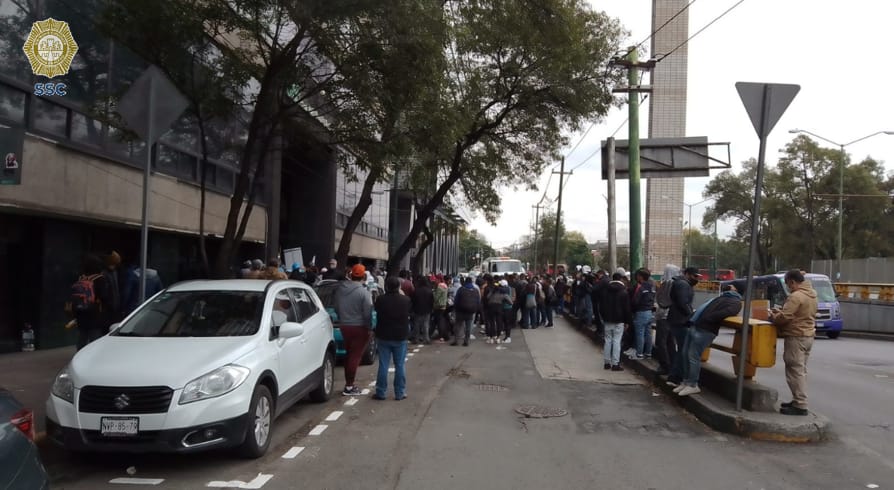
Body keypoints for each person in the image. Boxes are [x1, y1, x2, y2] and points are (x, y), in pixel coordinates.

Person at [674, 285, 742, 396]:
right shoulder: (722, 298)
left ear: (737, 290)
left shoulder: (735, 302)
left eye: (732, 286)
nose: (729, 287)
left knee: (692, 356)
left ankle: (692, 384)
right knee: (685, 354)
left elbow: (727, 311)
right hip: (697, 326)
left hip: (706, 329)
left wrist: (709, 318)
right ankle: (686, 381)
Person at [769, 270, 818, 415]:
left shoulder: (796, 296)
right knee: (800, 370)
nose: (788, 287)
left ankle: (800, 405)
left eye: (788, 284)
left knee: (794, 370)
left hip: (796, 336)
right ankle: (797, 400)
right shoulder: (812, 294)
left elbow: (786, 317)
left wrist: (774, 316)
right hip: (808, 335)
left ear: (792, 281)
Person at [334, 264, 374, 395]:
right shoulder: (364, 292)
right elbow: (368, 311)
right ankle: (349, 386)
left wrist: (342, 318)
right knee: (355, 357)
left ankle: (349, 384)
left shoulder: (340, 289)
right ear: (364, 276)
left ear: (351, 275)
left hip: (344, 325)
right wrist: (368, 327)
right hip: (359, 327)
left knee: (349, 355)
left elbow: (336, 307)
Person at [373, 276, 411, 400]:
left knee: (383, 364)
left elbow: (377, 310)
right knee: (399, 365)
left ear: (386, 286)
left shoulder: (380, 300)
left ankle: (380, 391)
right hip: (400, 336)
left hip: (383, 335)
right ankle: (400, 392)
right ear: (399, 287)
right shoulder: (405, 300)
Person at [70, 254, 114, 350]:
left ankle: (79, 354)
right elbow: (104, 296)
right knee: (95, 337)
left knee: (82, 336)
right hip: (95, 313)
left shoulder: (81, 278)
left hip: (80, 312)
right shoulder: (100, 279)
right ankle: (92, 357)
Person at [666, 267, 701, 387]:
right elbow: (682, 302)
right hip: (680, 320)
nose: (696, 279)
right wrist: (691, 314)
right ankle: (675, 376)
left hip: (677, 319)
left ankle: (676, 376)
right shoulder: (683, 285)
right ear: (687, 274)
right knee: (683, 349)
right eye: (694, 276)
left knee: (682, 348)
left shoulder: (679, 283)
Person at [600, 272, 632, 371]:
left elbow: (601, 306)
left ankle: (606, 362)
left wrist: (603, 317)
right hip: (619, 320)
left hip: (607, 319)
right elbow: (627, 309)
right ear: (621, 279)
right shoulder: (624, 292)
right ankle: (615, 363)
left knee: (608, 340)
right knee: (617, 341)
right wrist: (628, 321)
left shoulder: (605, 291)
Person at [653, 264, 681, 375]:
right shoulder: (678, 284)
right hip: (673, 317)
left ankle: (664, 365)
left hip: (663, 316)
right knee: (671, 342)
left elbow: (661, 300)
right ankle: (673, 365)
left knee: (662, 342)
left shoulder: (666, 284)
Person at [630, 268, 656, 359]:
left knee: (640, 334)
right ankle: (648, 353)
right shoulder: (652, 287)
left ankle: (639, 353)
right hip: (650, 312)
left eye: (637, 276)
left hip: (641, 312)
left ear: (640, 277)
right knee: (648, 334)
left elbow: (635, 301)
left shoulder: (641, 288)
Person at [452, 277, 480, 346]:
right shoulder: (475, 290)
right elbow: (478, 301)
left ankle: (456, 340)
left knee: (458, 326)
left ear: (465, 282)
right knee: (468, 327)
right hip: (470, 311)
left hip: (460, 311)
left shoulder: (461, 289)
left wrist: (456, 308)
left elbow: (456, 300)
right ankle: (466, 341)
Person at [410, 276, 434, 344]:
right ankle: (426, 339)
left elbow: (413, 300)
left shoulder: (416, 290)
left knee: (416, 324)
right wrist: (431, 309)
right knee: (426, 324)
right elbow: (432, 301)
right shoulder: (429, 291)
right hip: (427, 309)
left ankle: (416, 339)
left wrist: (413, 309)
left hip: (417, 309)